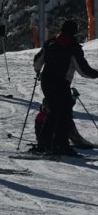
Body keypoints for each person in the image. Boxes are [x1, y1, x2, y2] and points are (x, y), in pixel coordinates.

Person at [33, 20, 98, 156]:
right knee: (64, 114)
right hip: (61, 83)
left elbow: (38, 60)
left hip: (46, 82)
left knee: (53, 112)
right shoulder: (73, 47)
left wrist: (37, 70)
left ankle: (44, 144)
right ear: (74, 32)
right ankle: (60, 145)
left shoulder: (50, 43)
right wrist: (96, 74)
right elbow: (83, 70)